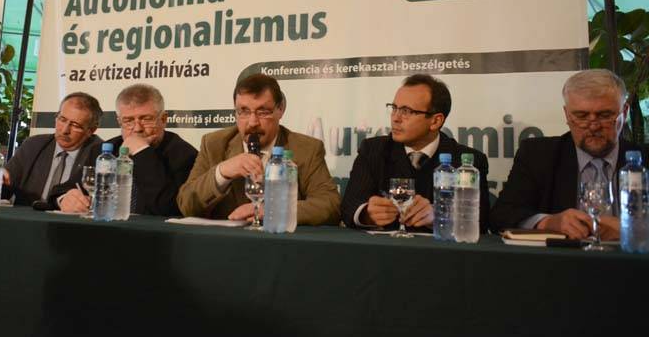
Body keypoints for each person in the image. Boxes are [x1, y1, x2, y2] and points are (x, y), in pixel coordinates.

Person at [490, 69, 649, 239]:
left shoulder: (645, 159)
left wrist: (632, 228)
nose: (593, 126)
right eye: (581, 116)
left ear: (624, 113)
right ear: (567, 114)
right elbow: (501, 216)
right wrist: (548, 222)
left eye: (604, 115)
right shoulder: (539, 155)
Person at [177, 74, 340, 225]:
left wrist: (273, 210)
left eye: (263, 112)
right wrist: (222, 173)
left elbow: (331, 205)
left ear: (280, 109)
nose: (253, 122)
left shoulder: (306, 149)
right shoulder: (214, 144)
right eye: (244, 111)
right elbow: (186, 205)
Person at [341, 74, 490, 232]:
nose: (396, 118)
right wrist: (367, 214)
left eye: (406, 111)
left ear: (435, 121)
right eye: (394, 108)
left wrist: (440, 215)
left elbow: (482, 221)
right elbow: (349, 206)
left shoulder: (466, 161)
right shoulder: (373, 150)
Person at [53, 84, 197, 216]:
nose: (137, 128)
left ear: (163, 119)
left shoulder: (184, 155)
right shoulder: (105, 151)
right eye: (128, 121)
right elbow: (60, 190)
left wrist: (142, 152)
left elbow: (171, 207)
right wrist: (65, 198)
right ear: (119, 122)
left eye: (146, 119)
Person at [4, 92, 102, 205]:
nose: (65, 130)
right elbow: (5, 184)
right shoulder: (33, 145)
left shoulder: (99, 155)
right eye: (62, 119)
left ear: (91, 130)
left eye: (75, 125)